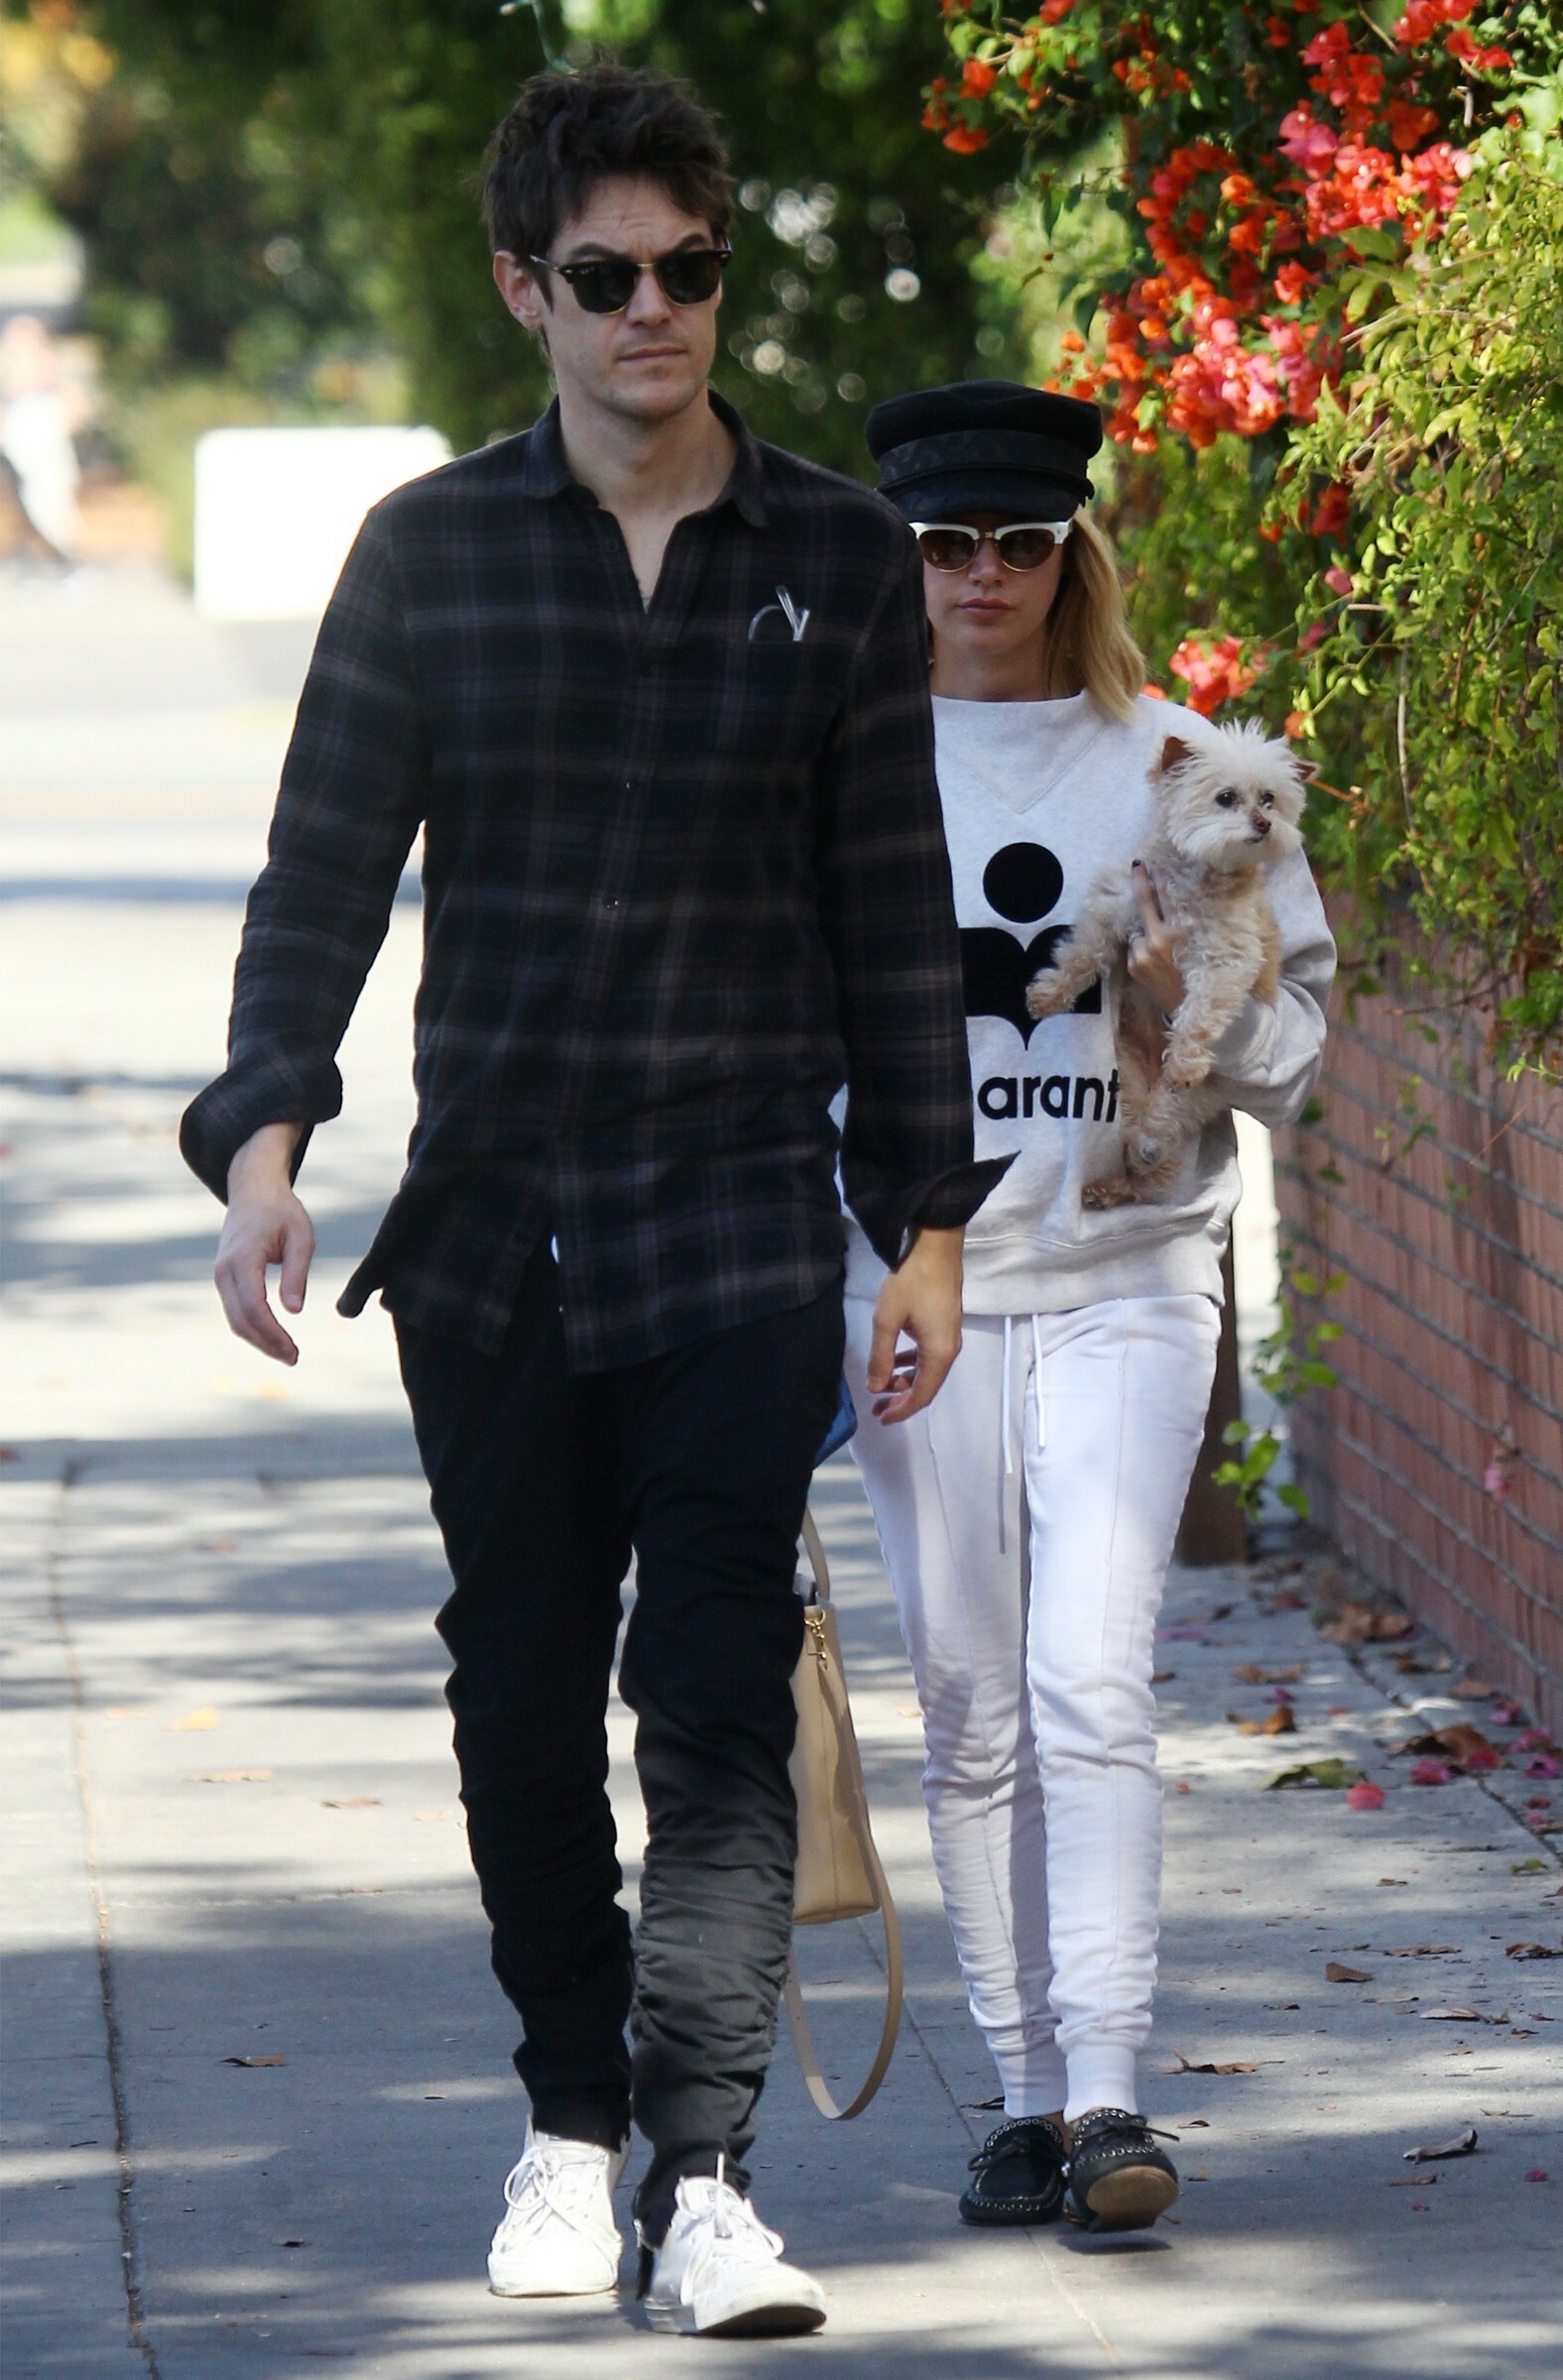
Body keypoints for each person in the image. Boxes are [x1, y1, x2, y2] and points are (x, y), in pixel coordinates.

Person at [180, 67, 1005, 2340]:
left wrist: (923, 1222)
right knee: (522, 1696)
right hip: (495, 1231)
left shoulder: (835, 556)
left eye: (691, 269)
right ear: (522, 290)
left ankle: (706, 2176)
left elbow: (892, 913)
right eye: (609, 274)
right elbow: (320, 874)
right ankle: (566, 2125)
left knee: (712, 1692)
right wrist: (265, 1149)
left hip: (734, 1214)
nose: (658, 309)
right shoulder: (430, 555)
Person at [842, 382, 1334, 2232]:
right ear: (904, 557)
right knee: (971, 1697)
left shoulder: (1181, 762)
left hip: (1130, 1268)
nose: (982, 575)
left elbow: (1296, 1046)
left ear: (1074, 553)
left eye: (1021, 542)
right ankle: (1023, 2099)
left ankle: (1114, 2093)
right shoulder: (843, 750)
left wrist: (1195, 1012)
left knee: (1090, 1678)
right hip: (915, 1285)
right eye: (943, 544)